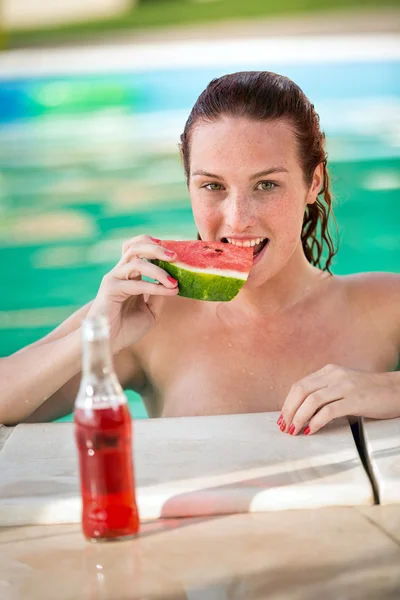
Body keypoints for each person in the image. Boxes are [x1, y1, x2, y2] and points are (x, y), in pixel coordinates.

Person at [1, 71, 399, 433]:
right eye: (213, 186)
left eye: (266, 185)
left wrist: (389, 388)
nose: (238, 219)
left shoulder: (385, 305)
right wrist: (96, 336)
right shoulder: (150, 318)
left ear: (313, 182)